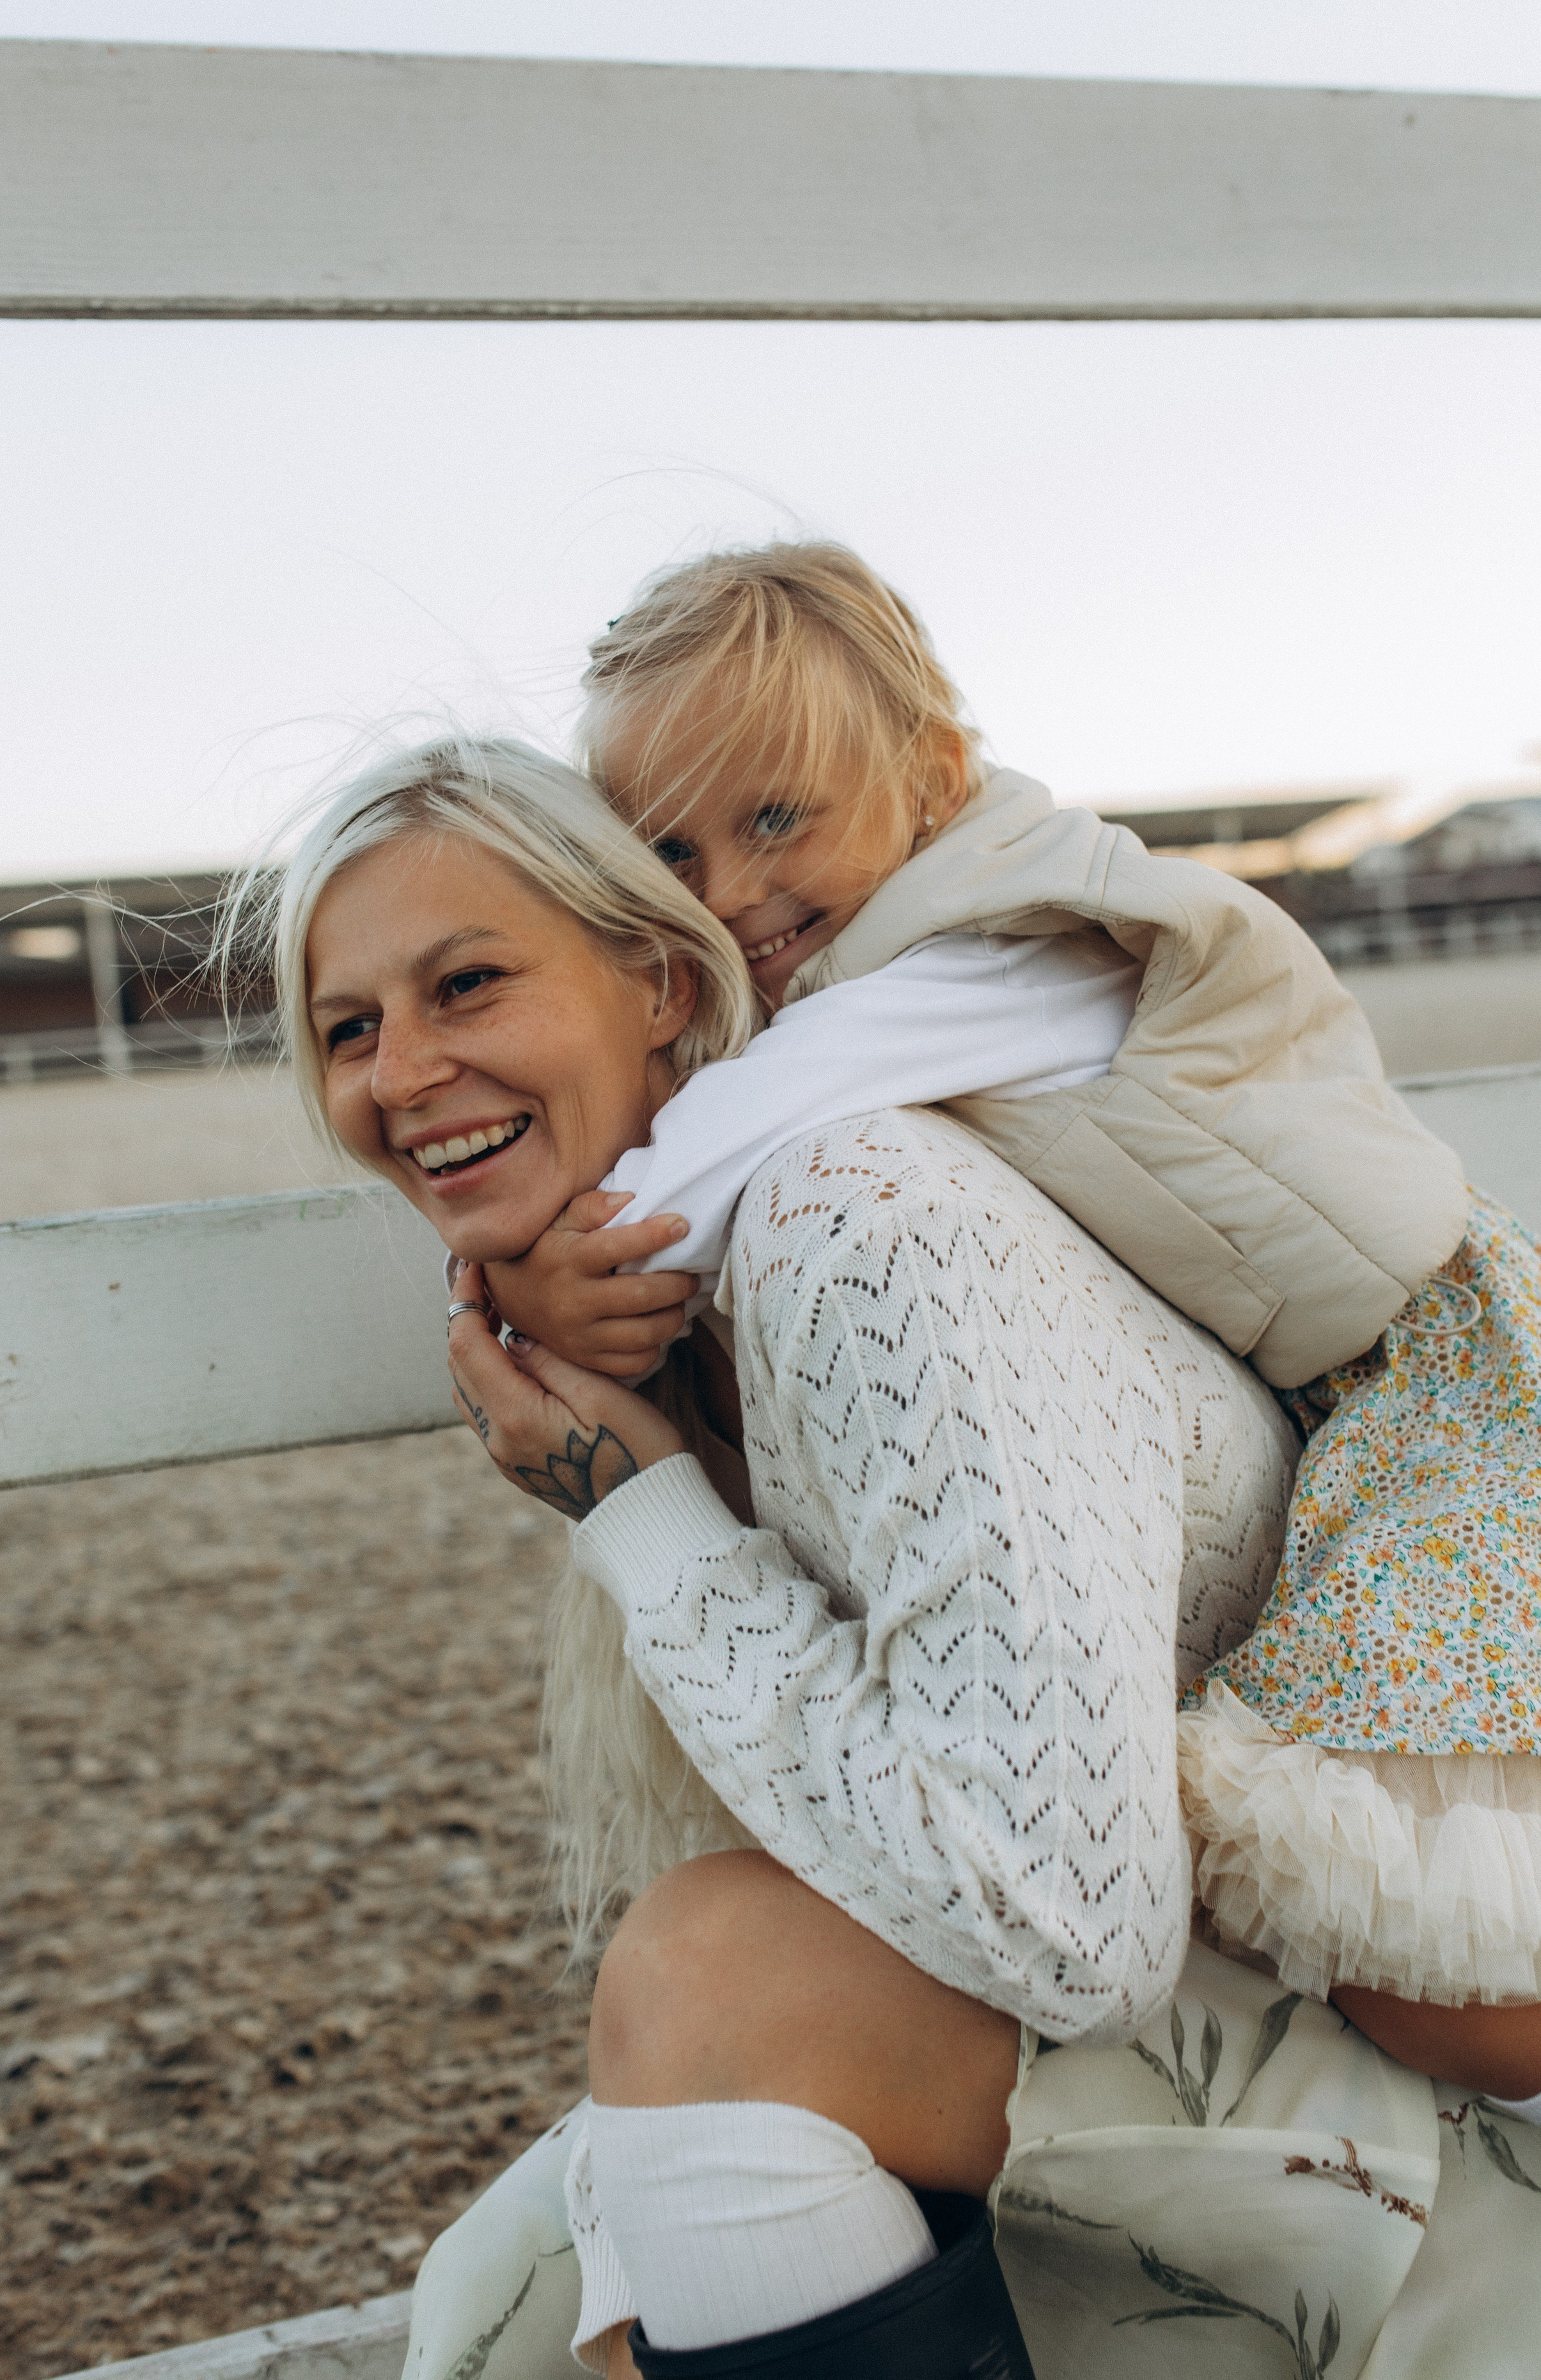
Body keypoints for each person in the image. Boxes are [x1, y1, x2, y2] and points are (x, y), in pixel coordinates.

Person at [239, 730, 1541, 2380]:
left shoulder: (852, 1216)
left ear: (655, 981)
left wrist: (639, 1514)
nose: (401, 1071)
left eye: (466, 985)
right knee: (489, 2317)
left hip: (1421, 2129)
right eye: (349, 1029)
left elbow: (1068, 1926)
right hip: (1198, 2025)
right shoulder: (672, 1285)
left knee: (707, 1983)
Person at [481, 542, 1541, 2125]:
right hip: (1348, 1382)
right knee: (1384, 1874)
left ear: (932, 771)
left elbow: (749, 1119)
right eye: (672, 854)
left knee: (1401, 1892)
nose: (733, 890)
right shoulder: (895, 952)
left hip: (1429, 1381)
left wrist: (563, 1273)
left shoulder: (1005, 935)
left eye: (776, 816)